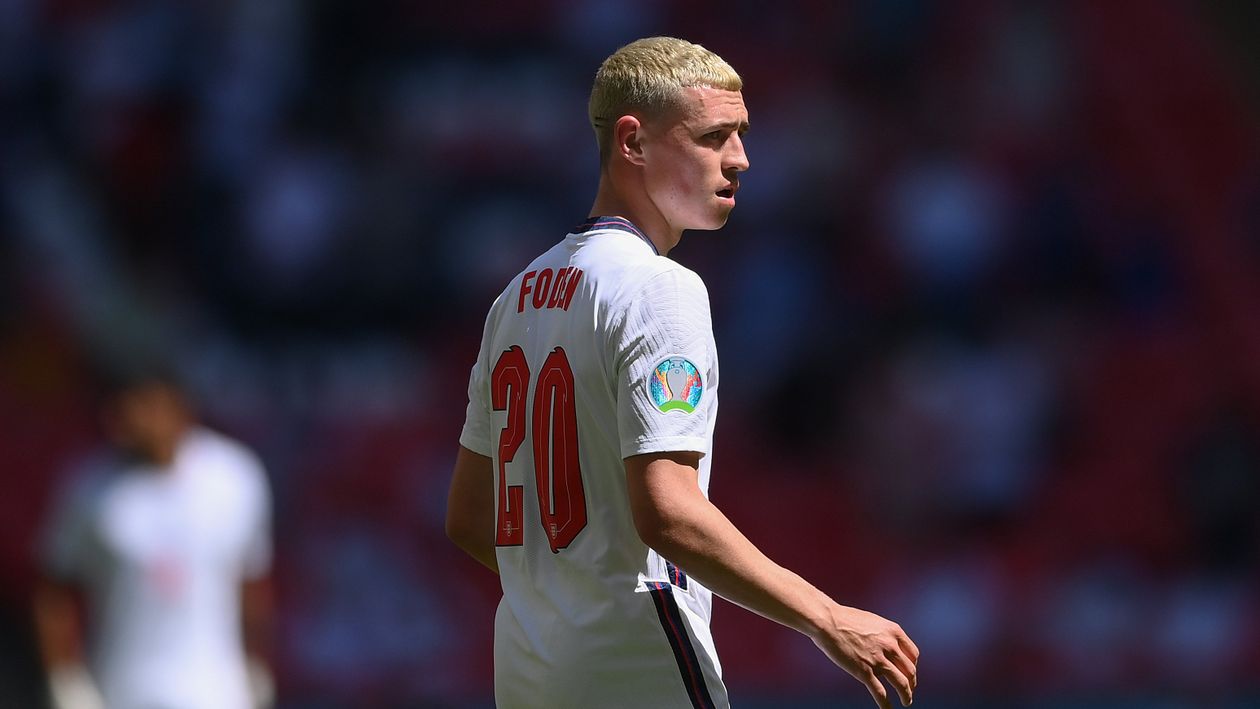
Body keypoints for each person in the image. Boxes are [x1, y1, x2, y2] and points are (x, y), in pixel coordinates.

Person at [446, 36, 919, 709]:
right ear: (633, 142)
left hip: (532, 669)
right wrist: (827, 616)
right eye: (713, 136)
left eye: (742, 134)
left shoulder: (516, 295)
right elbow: (668, 510)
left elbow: (469, 515)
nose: (741, 158)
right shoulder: (660, 289)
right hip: (638, 663)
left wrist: (565, 586)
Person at [33, 365, 274, 709]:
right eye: (120, 407)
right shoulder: (88, 487)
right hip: (121, 692)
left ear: (178, 408)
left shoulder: (235, 477)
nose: (129, 419)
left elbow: (251, 582)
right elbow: (54, 590)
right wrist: (64, 678)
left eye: (143, 405)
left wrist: (256, 663)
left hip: (216, 693)